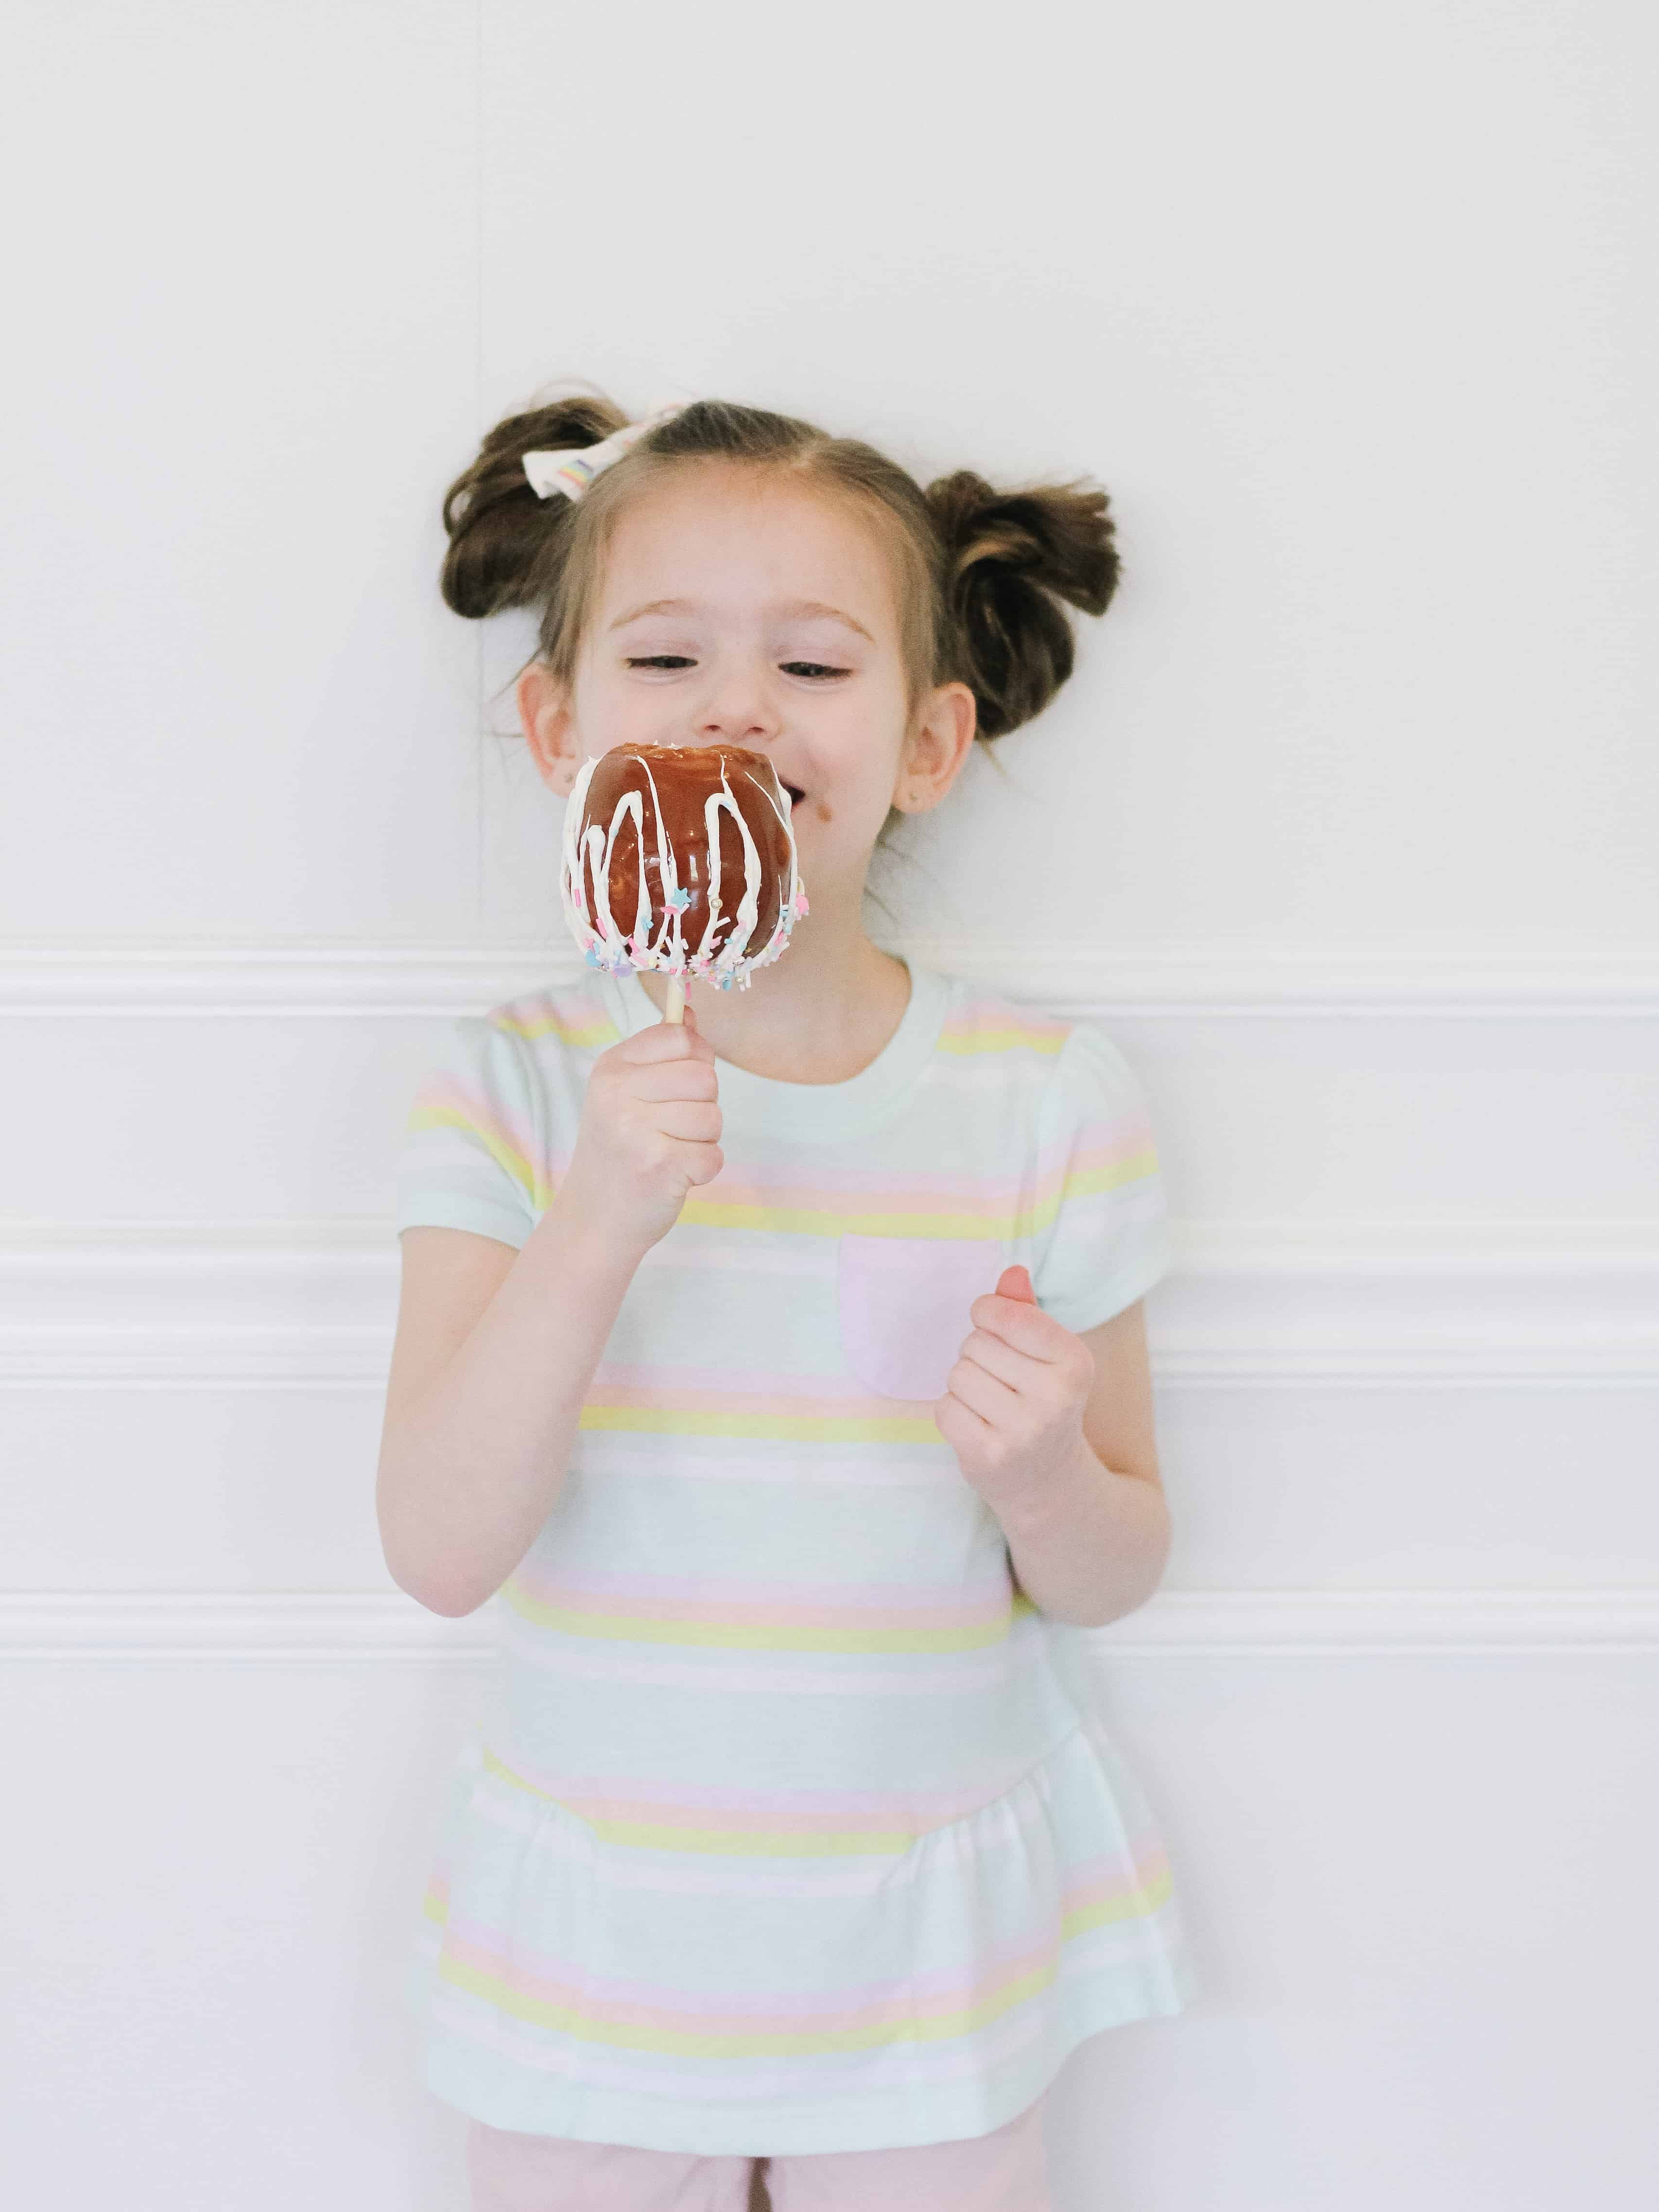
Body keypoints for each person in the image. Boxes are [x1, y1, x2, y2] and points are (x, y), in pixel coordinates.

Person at [378, 393, 1196, 2211]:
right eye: (666, 655)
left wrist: (1047, 1472)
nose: (736, 709)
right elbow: (438, 1546)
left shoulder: (1045, 1102)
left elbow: (1118, 1568)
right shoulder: (509, 1092)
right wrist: (594, 1223)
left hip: (926, 1965)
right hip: (592, 1951)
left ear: (924, 743)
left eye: (810, 666)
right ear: (560, 729)